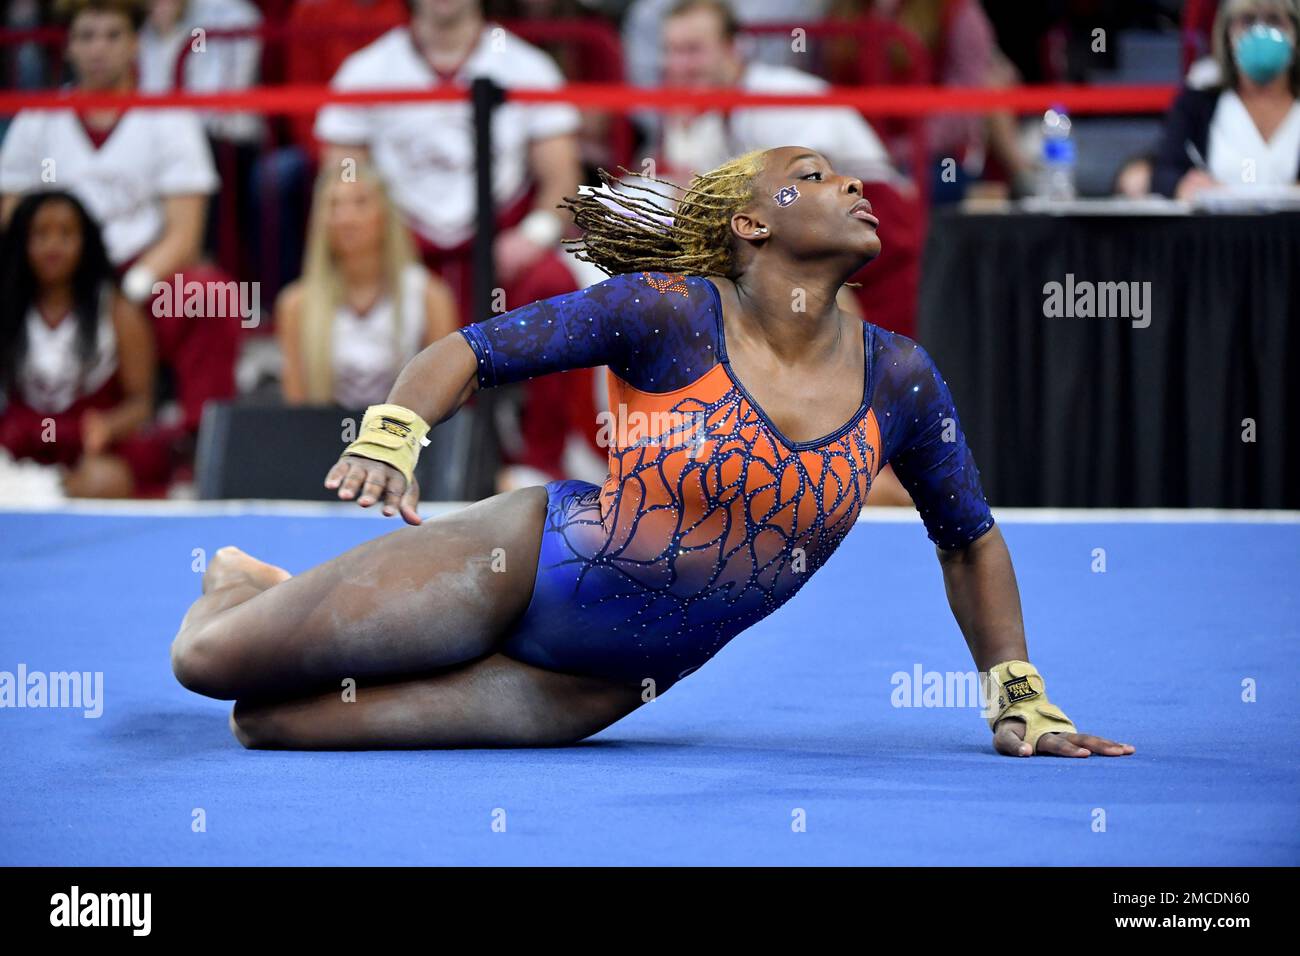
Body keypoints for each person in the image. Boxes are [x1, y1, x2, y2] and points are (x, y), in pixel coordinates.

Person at [170, 146, 1135, 761]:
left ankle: (279, 597)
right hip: (519, 567)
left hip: (592, 688)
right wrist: (395, 433)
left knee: (273, 724)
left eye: (851, 176)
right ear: (751, 225)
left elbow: (967, 539)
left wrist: (1017, 695)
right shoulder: (667, 311)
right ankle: (238, 584)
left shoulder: (901, 379)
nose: (852, 184)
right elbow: (472, 351)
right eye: (814, 174)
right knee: (207, 664)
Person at [0, 0, 237, 489]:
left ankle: (197, 444)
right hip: (51, 277)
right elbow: (10, 218)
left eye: (111, 35)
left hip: (140, 279)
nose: (98, 49)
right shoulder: (36, 121)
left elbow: (186, 232)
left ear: (134, 43)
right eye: (86, 36)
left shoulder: (168, 119)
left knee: (211, 293)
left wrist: (126, 288)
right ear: (68, 45)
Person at [0, 191, 161, 497]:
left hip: (87, 447)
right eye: (40, 234)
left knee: (107, 480)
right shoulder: (8, 309)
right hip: (21, 441)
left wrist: (108, 426)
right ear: (21, 242)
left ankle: (51, 494)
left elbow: (142, 403)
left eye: (66, 234)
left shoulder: (117, 310)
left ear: (86, 242)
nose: (53, 246)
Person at [276, 166, 459, 408]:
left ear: (385, 214)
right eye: (334, 205)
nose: (346, 218)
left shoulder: (429, 296)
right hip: (323, 440)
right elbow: (297, 411)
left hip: (408, 439)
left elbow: (445, 398)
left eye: (360, 203)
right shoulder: (296, 305)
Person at [1153, 0, 1300, 198]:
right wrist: (1184, 186)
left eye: (1274, 20)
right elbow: (1164, 172)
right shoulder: (1199, 99)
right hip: (1219, 227)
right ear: (1227, 33)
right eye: (1247, 22)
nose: (1260, 33)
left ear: (1295, 31)